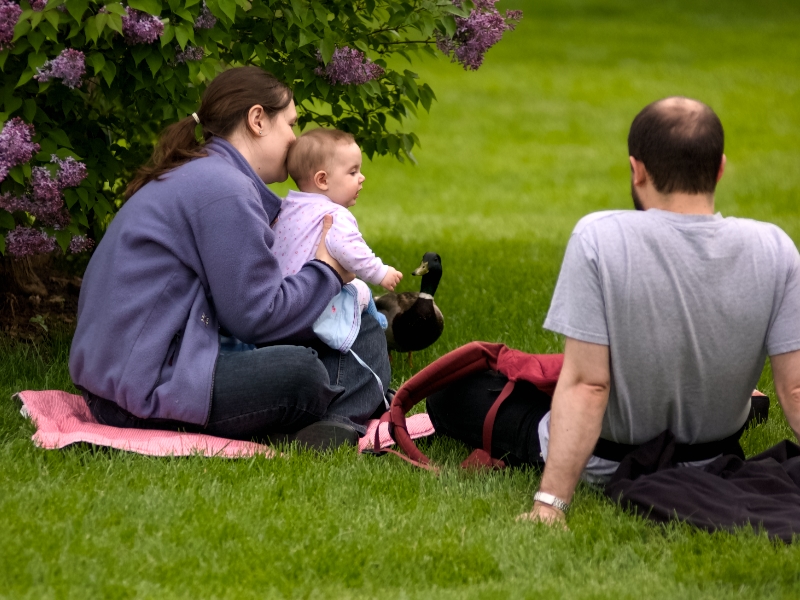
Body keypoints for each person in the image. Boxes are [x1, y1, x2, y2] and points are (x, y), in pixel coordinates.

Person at [427, 96, 800, 525]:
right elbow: (795, 390)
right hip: (711, 455)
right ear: (719, 168)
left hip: (605, 462)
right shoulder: (774, 247)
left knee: (452, 393)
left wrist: (550, 504)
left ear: (636, 169)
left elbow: (588, 384)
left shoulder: (601, 237)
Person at [69, 67, 391, 449]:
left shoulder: (208, 174)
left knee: (354, 325)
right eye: (290, 123)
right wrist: (328, 271)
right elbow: (258, 317)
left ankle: (330, 421)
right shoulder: (224, 188)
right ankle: (340, 420)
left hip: (128, 379)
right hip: (141, 391)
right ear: (257, 120)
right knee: (300, 371)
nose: (295, 139)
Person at [276, 127, 402, 323]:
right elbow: (350, 249)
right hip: (314, 307)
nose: (362, 177)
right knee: (360, 289)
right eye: (353, 172)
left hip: (282, 299)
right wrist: (380, 272)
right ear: (322, 180)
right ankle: (375, 321)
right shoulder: (335, 215)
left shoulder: (285, 207)